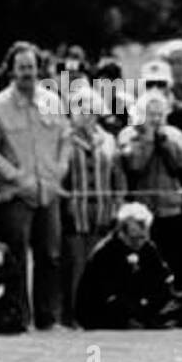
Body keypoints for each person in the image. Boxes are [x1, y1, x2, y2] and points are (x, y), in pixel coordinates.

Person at [0, 41, 72, 332]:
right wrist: (17, 177)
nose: (27, 73)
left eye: (31, 67)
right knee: (17, 256)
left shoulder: (53, 102)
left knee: (51, 255)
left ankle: (49, 318)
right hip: (17, 195)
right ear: (11, 70)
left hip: (49, 192)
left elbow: (65, 138)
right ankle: (19, 317)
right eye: (21, 68)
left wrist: (59, 171)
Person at [118, 91, 182, 299]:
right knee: (145, 261)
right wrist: (147, 140)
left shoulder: (174, 134)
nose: (155, 119)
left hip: (171, 209)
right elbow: (134, 164)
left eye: (159, 114)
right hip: (143, 212)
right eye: (150, 114)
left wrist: (164, 140)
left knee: (175, 260)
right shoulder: (129, 134)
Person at [60, 83, 125, 327]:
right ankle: (72, 317)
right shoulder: (64, 138)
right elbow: (59, 176)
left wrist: (118, 204)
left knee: (101, 267)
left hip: (103, 213)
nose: (85, 112)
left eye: (90, 107)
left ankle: (99, 315)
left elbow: (118, 177)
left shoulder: (109, 140)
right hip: (74, 213)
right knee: (76, 266)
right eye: (80, 107)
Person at [75, 202, 182, 329]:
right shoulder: (105, 253)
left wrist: (162, 296)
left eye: (143, 237)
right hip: (106, 308)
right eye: (134, 239)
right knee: (120, 306)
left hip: (141, 303)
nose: (139, 243)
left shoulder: (148, 248)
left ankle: (152, 323)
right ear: (122, 232)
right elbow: (107, 293)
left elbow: (163, 278)